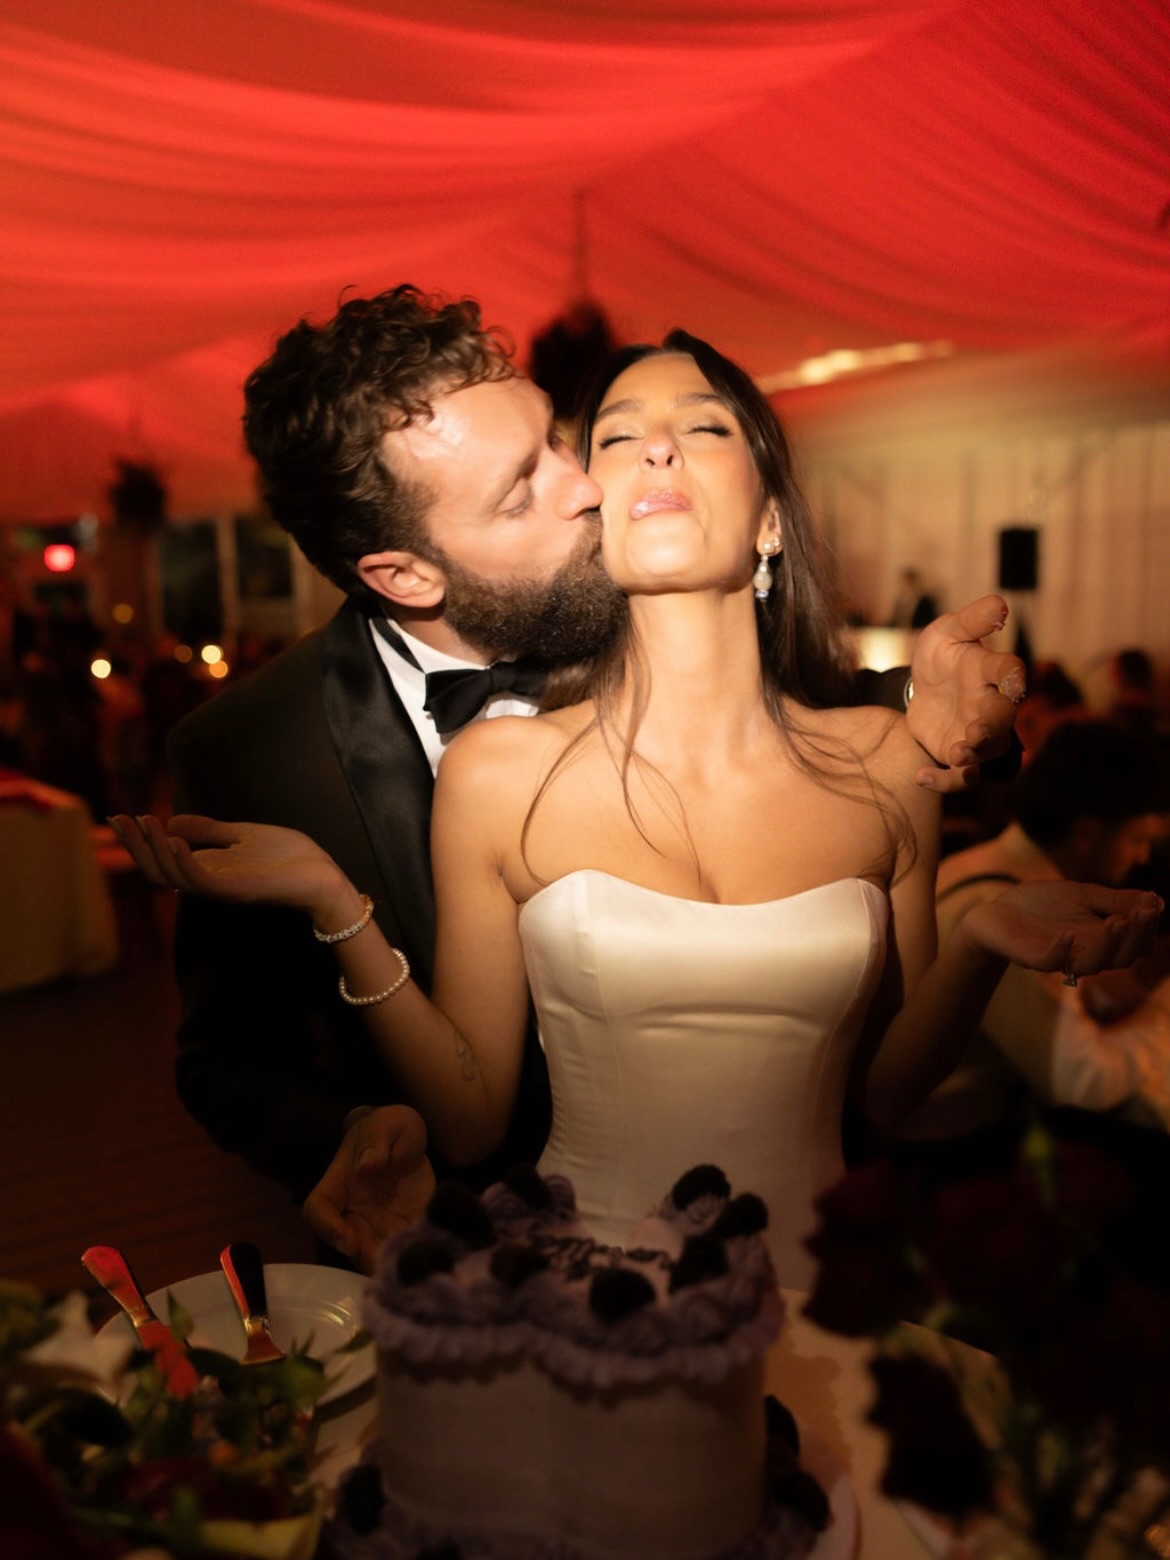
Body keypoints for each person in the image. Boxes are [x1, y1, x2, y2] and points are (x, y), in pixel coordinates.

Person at [117, 328, 1156, 1288]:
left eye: (565, 443)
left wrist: (967, 833)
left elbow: (888, 1065)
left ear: (770, 521)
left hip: (821, 1261)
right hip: (494, 1271)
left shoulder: (882, 754)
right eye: (587, 452)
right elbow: (233, 1061)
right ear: (406, 571)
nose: (588, 481)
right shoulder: (272, 752)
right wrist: (329, 961)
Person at [896, 719, 1170, 1143]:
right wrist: (1161, 1013)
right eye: (1138, 838)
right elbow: (1081, 1085)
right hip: (949, 1148)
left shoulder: (987, 863)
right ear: (1086, 834)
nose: (1141, 857)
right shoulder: (1012, 909)